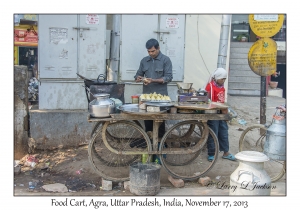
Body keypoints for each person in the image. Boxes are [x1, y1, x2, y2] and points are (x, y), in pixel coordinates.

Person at [133, 38, 173, 147]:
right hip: (147, 98)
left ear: (158, 48)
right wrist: (138, 78)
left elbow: (168, 77)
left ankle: (160, 149)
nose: (151, 54)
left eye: (153, 51)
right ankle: (149, 148)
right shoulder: (144, 61)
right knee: (148, 124)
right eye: (149, 51)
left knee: (159, 124)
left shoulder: (166, 60)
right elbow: (137, 75)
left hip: (161, 99)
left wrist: (153, 80)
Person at [205, 67, 236, 162]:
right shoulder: (209, 86)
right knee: (213, 132)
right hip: (213, 113)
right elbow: (207, 101)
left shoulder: (222, 87)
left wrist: (225, 109)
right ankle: (211, 154)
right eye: (222, 78)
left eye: (224, 79)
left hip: (221, 112)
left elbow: (222, 100)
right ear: (216, 77)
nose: (223, 81)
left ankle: (226, 152)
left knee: (223, 132)